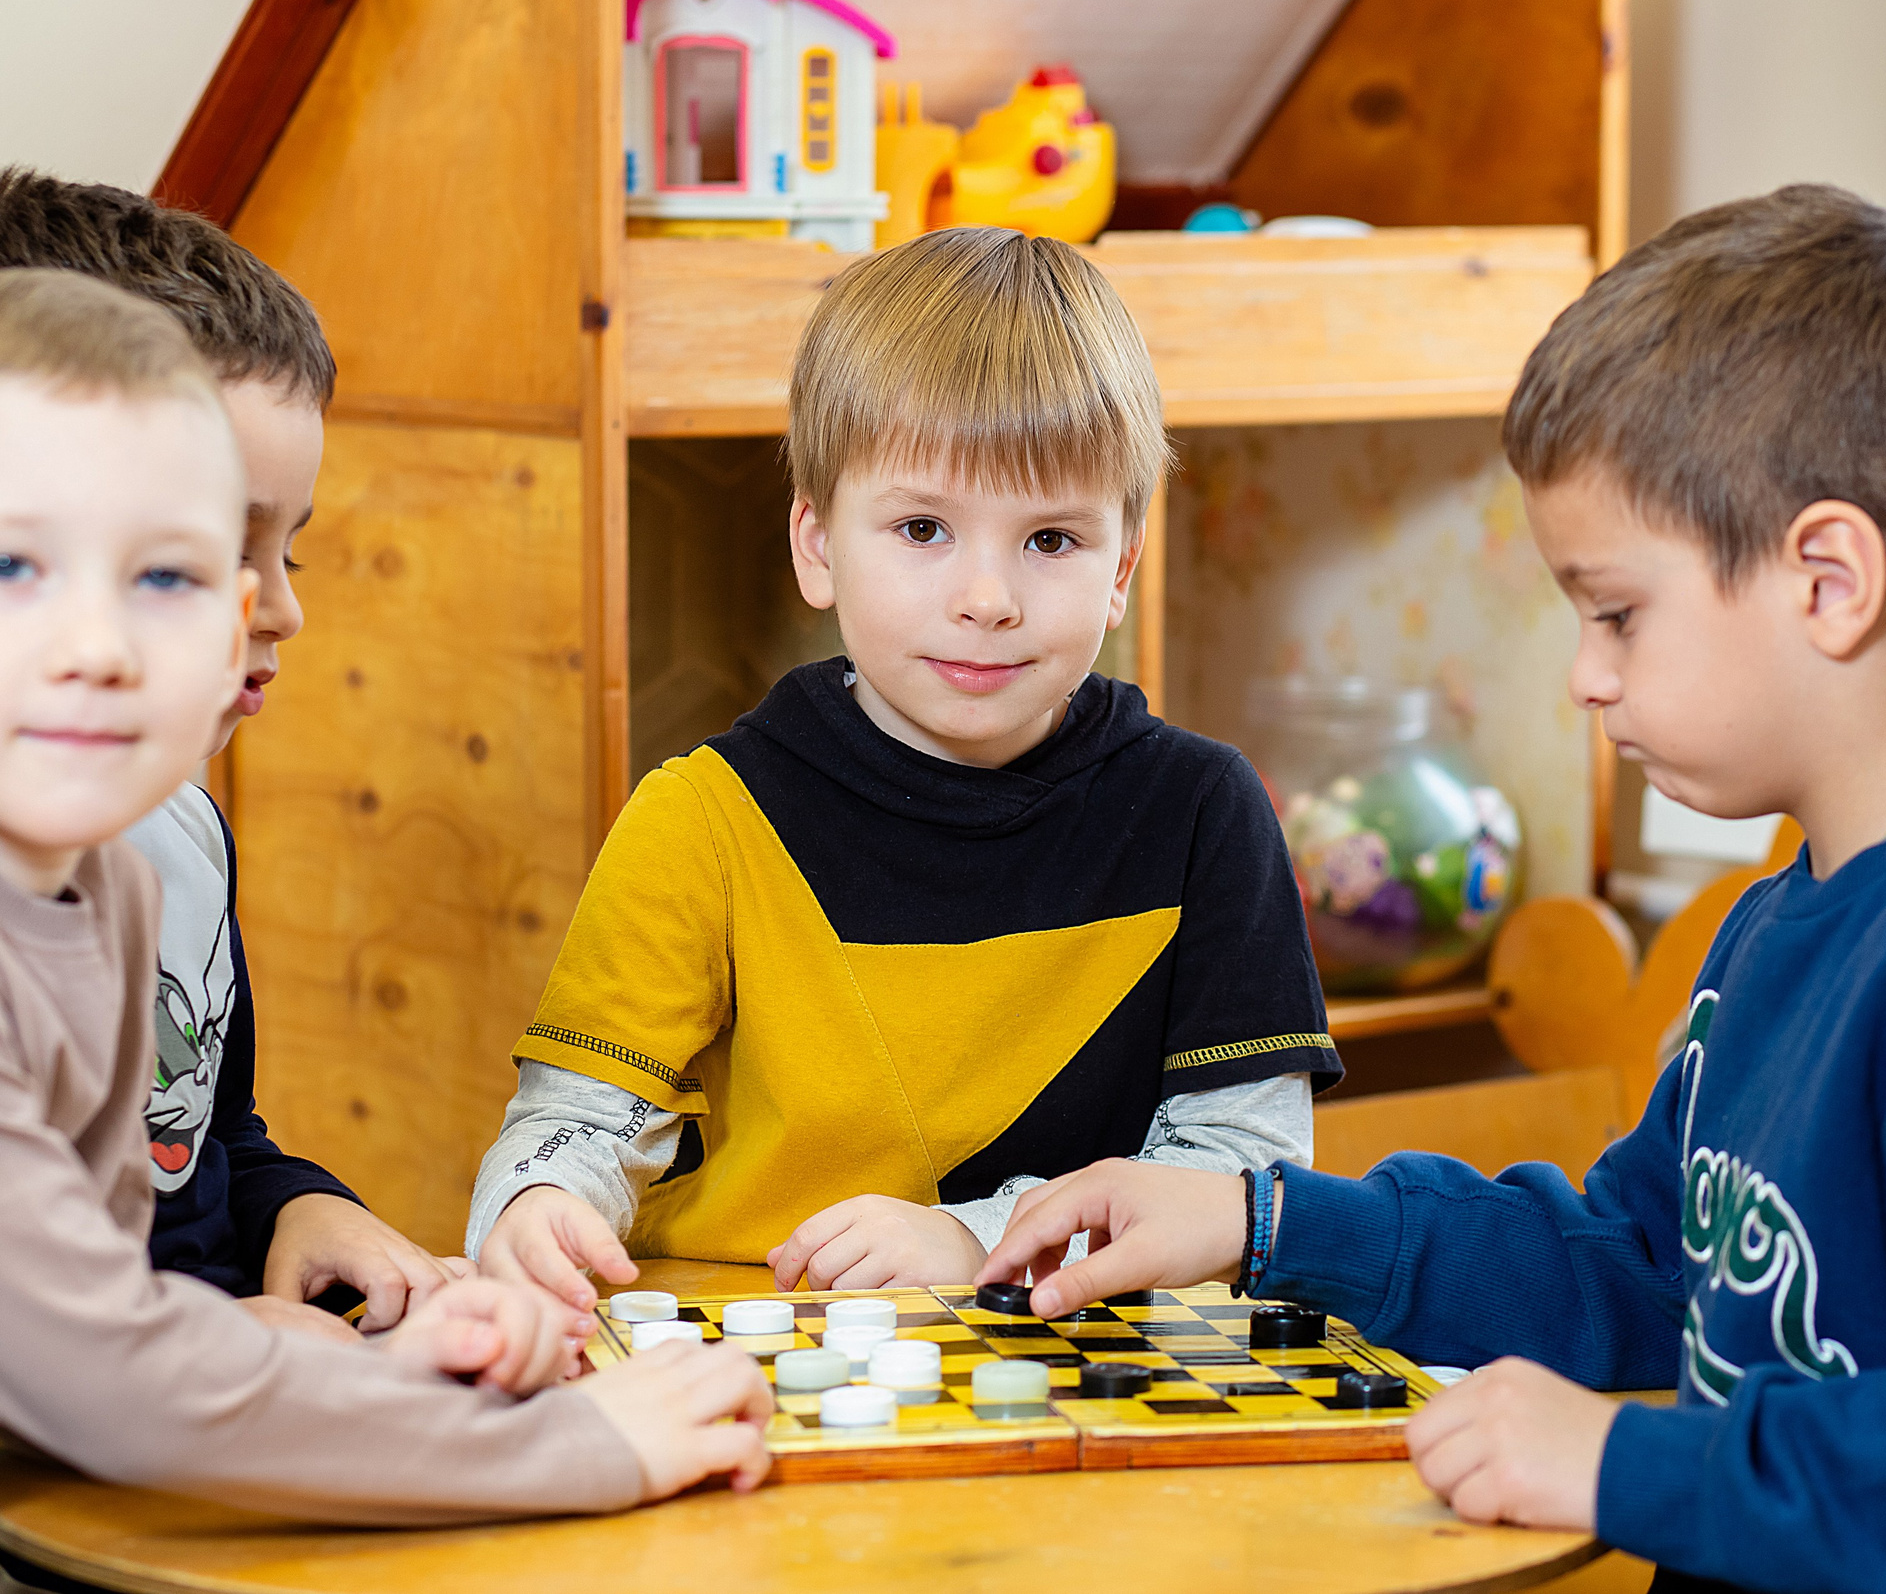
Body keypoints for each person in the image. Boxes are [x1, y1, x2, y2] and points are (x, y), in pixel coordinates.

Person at [977, 185, 1886, 1592]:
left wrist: (1627, 1464)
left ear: (1829, 579)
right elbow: (1630, 1254)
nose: (1585, 672)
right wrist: (1260, 1218)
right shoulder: (1788, 916)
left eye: (1617, 610)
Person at [0, 270, 772, 1594]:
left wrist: (359, 1373)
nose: (99, 644)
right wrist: (583, 1444)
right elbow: (110, 1375)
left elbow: (104, 1305)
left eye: (168, 575)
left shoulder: (111, 879)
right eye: (9, 565)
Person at [469, 226, 1342, 1306]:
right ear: (818, 546)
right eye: (924, 527)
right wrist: (535, 1206)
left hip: (1084, 1362)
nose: (988, 598)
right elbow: (576, 1121)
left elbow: (1243, 1179)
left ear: (1121, 569)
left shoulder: (1207, 813)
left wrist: (977, 1238)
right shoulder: (699, 819)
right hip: (756, 1336)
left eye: (1051, 541)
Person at [0, 169, 455, 1339]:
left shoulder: (175, 827)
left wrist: (300, 1209)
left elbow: (207, 1140)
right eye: (204, 559)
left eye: (290, 552)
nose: (280, 609)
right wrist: (228, 1355)